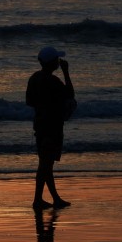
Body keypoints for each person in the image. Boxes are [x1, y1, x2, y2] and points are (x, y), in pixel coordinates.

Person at [25, 46, 76, 210]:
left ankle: (49, 199)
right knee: (46, 165)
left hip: (40, 124)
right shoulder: (53, 81)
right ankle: (40, 200)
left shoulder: (34, 78)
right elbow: (70, 94)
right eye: (57, 60)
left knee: (45, 163)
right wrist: (66, 72)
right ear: (53, 63)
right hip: (52, 125)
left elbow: (29, 101)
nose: (59, 62)